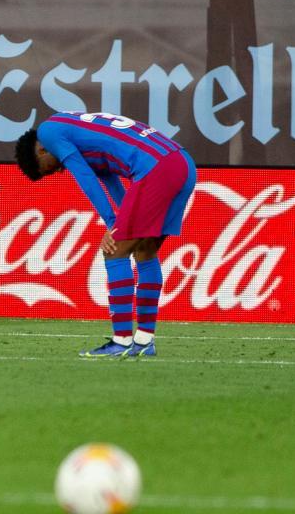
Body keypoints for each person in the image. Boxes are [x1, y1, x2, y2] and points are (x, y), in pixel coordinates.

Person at [14, 112, 196, 358]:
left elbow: (85, 178)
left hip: (155, 168)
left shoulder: (49, 132)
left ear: (42, 152)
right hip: (181, 162)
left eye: (48, 170)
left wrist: (113, 225)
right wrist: (122, 220)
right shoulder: (76, 131)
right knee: (145, 250)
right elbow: (108, 177)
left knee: (114, 250)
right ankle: (144, 341)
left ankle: (121, 342)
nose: (57, 171)